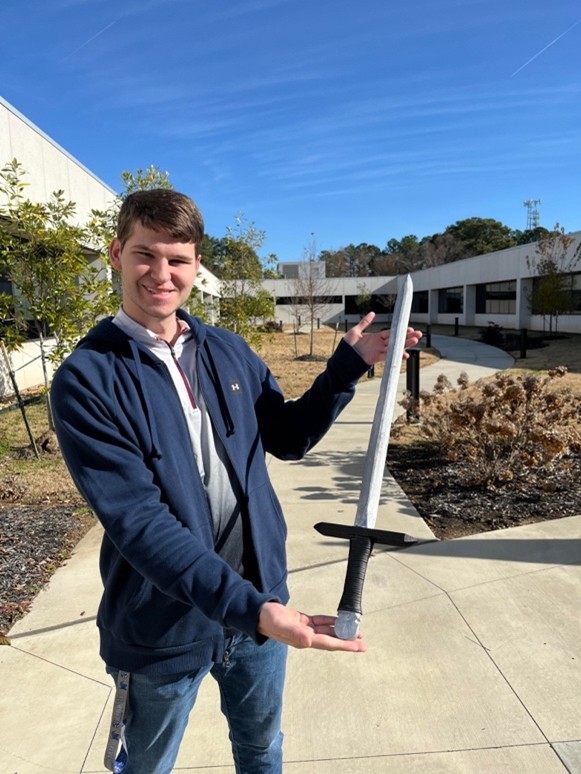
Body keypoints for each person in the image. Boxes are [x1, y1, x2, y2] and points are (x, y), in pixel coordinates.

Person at [51, 189, 422, 774]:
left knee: (261, 749)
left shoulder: (227, 350)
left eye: (177, 259)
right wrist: (253, 610)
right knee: (147, 766)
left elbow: (287, 436)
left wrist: (347, 366)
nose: (161, 273)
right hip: (163, 624)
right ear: (117, 253)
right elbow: (140, 524)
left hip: (258, 607)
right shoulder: (88, 379)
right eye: (145, 254)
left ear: (197, 267)